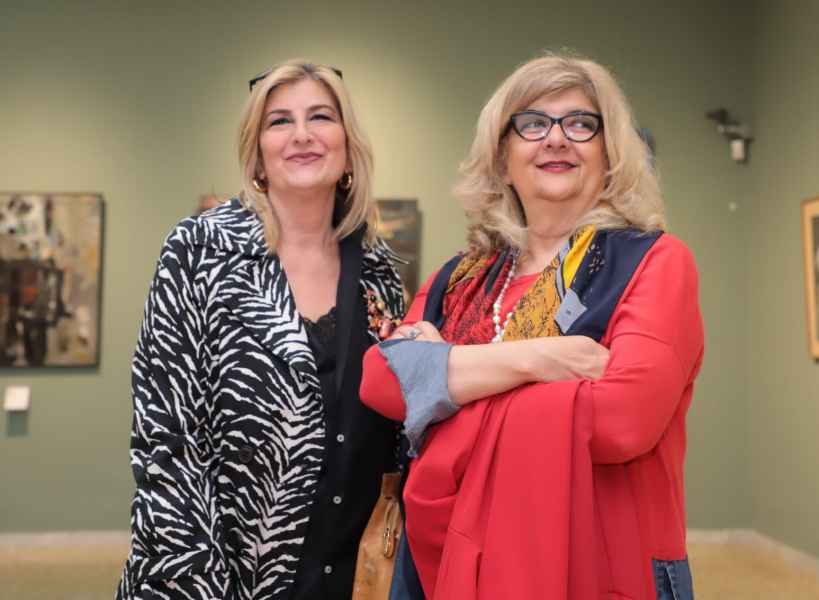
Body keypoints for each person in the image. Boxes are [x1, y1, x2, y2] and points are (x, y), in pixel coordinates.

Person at [360, 53, 704, 600]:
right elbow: (380, 380)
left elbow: (622, 420)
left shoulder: (654, 261)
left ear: (610, 154)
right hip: (448, 560)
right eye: (533, 124)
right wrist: (539, 359)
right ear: (502, 159)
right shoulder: (463, 276)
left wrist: (442, 381)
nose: (557, 139)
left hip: (600, 564)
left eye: (581, 124)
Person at [116, 60, 405, 600]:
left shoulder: (378, 269)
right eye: (279, 121)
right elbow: (167, 438)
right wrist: (201, 582)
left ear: (347, 148)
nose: (302, 134)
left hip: (348, 572)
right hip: (217, 574)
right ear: (257, 154)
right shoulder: (200, 250)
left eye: (321, 117)